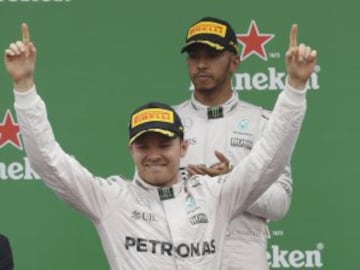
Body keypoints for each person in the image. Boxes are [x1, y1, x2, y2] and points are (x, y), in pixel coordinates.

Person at [4, 23, 315, 269]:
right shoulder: (112, 199)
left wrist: (295, 89)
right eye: (143, 146)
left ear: (182, 148)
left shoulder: (216, 194)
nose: (153, 154)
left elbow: (269, 158)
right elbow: (48, 161)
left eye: (163, 144)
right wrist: (24, 87)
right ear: (131, 151)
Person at [175, 17, 315, 269]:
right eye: (194, 56)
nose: (202, 64)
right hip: (181, 255)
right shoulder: (168, 124)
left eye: (213, 55)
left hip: (242, 256)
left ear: (235, 62)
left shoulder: (262, 123)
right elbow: (147, 199)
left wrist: (233, 179)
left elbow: (279, 204)